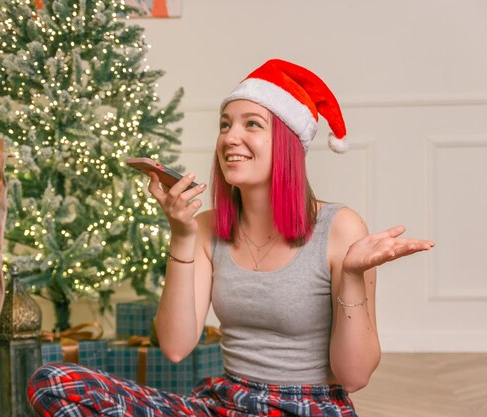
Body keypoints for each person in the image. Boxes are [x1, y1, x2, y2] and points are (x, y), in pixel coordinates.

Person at [27, 58, 435, 417]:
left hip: (309, 405)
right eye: (225, 125)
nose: (229, 138)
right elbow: (175, 346)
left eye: (251, 125)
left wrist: (350, 274)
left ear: (288, 144)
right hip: (226, 403)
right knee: (55, 382)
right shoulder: (205, 229)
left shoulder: (341, 227)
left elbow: (355, 375)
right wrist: (181, 235)